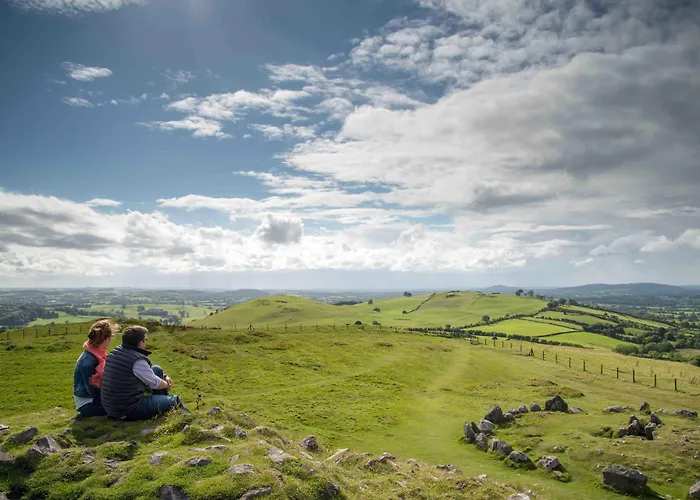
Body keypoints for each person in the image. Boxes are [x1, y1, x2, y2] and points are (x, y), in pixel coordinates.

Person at [101, 325, 188, 420]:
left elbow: (148, 373)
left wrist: (164, 376)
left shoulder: (116, 352)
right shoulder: (137, 362)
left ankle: (162, 406)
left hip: (113, 406)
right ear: (141, 342)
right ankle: (189, 419)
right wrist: (167, 383)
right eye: (145, 340)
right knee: (175, 400)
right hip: (129, 409)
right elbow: (156, 384)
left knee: (157, 369)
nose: (146, 342)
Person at [73, 320, 117, 417]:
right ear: (107, 339)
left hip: (92, 399)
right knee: (125, 406)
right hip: (88, 403)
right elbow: (92, 389)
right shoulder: (88, 361)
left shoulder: (95, 354)